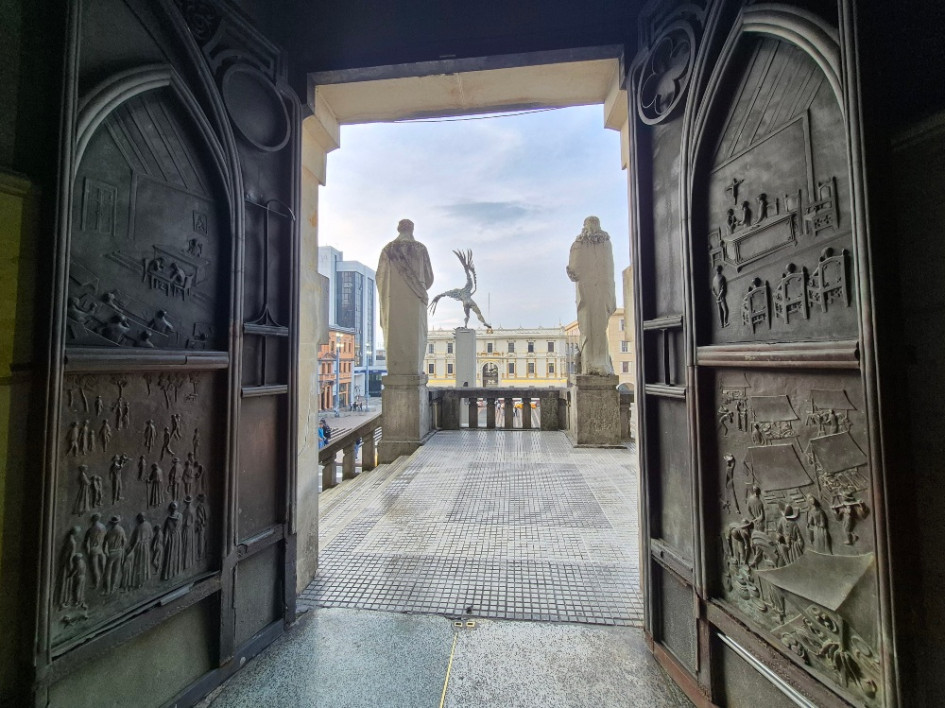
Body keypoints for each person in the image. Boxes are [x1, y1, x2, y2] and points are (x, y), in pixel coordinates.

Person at [376, 219, 434, 376]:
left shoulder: (387, 250)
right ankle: (413, 369)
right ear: (412, 229)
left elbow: (379, 278)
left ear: (398, 229)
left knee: (395, 336)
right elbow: (428, 279)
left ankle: (396, 369)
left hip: (393, 303)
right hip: (415, 301)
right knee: (416, 336)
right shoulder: (420, 249)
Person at [566, 216, 616, 375]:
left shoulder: (601, 244)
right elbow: (574, 271)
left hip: (600, 289)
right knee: (589, 326)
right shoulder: (582, 244)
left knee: (598, 327)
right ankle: (591, 362)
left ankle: (599, 361)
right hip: (590, 291)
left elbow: (573, 271)